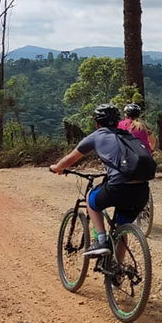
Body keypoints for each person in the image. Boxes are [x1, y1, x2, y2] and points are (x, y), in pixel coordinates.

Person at [50, 104, 150, 256]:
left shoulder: (96, 136)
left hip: (118, 188)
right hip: (142, 191)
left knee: (91, 198)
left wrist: (57, 168)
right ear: (117, 121)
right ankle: (118, 267)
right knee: (121, 228)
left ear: (97, 122)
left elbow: (70, 159)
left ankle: (101, 240)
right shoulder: (127, 135)